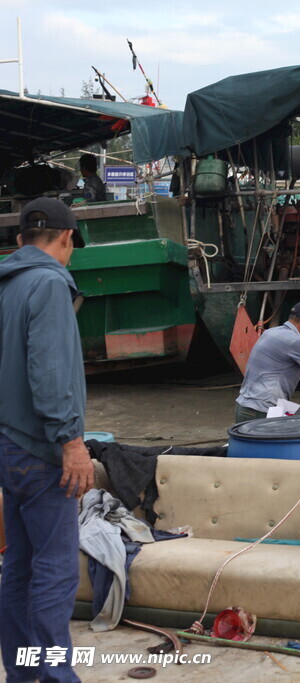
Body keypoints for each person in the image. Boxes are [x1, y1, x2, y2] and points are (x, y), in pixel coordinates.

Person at [0, 197, 93, 683]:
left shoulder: (7, 283)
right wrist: (71, 443)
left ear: (20, 240)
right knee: (55, 570)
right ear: (66, 238)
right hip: (40, 450)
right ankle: (57, 676)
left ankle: (22, 674)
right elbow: (50, 373)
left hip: (6, 445)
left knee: (18, 565)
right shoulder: (50, 284)